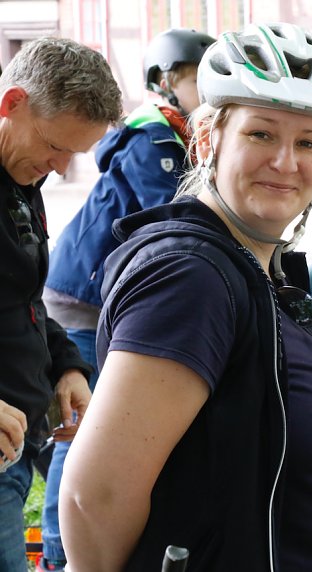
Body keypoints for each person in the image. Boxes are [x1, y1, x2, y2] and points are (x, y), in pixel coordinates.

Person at [59, 22, 312, 571]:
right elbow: (96, 499)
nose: (286, 162)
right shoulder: (190, 278)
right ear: (208, 138)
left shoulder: (257, 268)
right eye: (261, 134)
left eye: (308, 143)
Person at [37, 27, 214, 572]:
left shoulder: (176, 132)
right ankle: (62, 551)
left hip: (99, 291)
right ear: (166, 81)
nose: (204, 91)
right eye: (195, 80)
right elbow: (172, 208)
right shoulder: (153, 136)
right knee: (84, 425)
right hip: (84, 296)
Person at [0, 37, 123, 572]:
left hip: (19, 440)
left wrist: (65, 365)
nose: (59, 165)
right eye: (55, 145)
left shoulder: (22, 177)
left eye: (74, 154)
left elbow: (22, 298)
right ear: (12, 103)